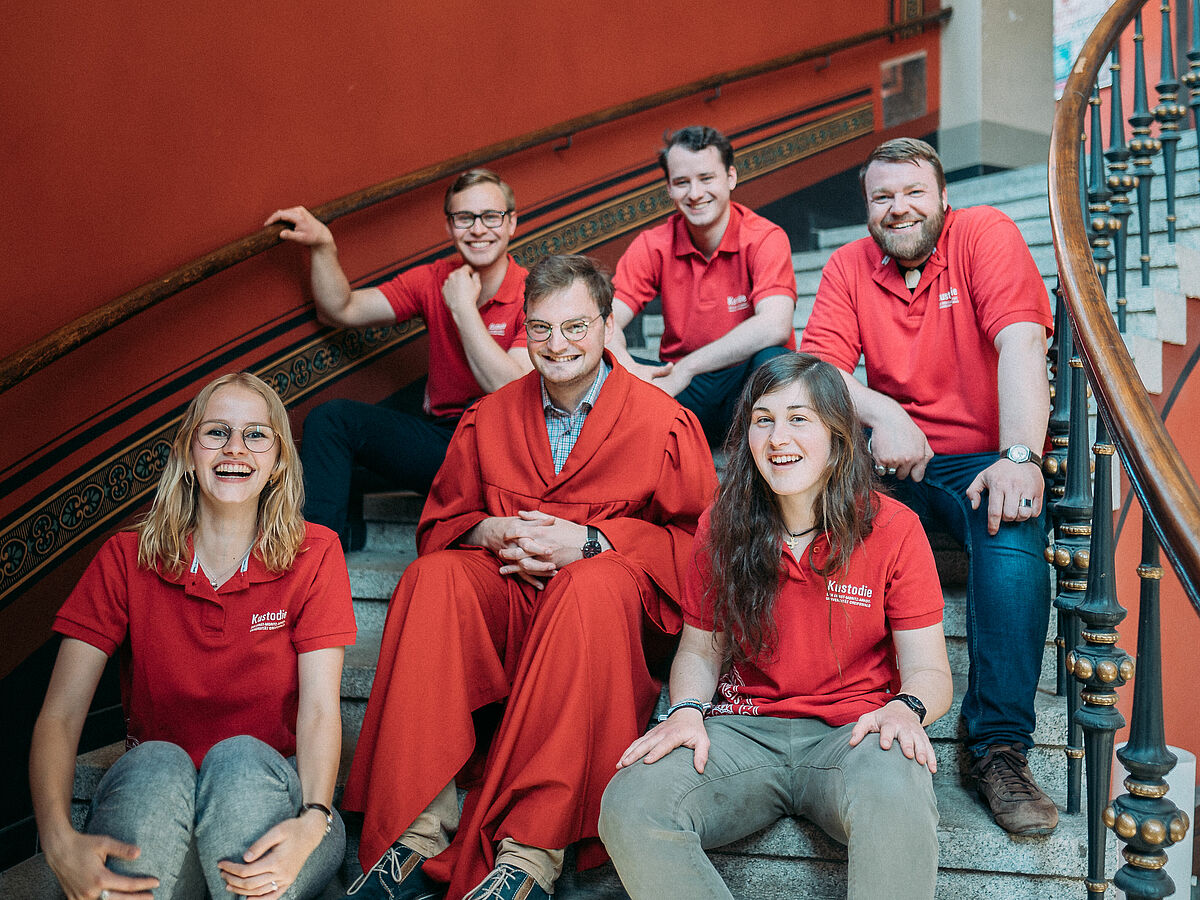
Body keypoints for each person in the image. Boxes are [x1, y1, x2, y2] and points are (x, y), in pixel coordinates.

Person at [340, 254, 717, 900]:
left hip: (606, 621)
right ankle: (418, 829)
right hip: (512, 600)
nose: (557, 344)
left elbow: (701, 551)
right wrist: (489, 531)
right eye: (540, 329)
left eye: (575, 327)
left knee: (587, 584)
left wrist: (596, 541)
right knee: (433, 579)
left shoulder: (663, 423)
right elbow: (442, 523)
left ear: (605, 326)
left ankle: (530, 852)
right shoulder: (489, 417)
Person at [598, 352, 952, 899]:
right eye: (763, 419)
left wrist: (906, 709)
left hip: (852, 736)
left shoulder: (894, 528)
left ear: (838, 436)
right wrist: (686, 711)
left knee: (899, 790)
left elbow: (930, 670)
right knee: (631, 802)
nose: (777, 437)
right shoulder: (724, 522)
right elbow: (699, 649)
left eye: (799, 418)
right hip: (742, 732)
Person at [800, 137, 1057, 835]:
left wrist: (1019, 455)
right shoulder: (850, 265)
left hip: (979, 458)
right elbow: (817, 369)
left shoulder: (984, 234)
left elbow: (1022, 342)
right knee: (814, 509)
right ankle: (825, 716)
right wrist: (885, 413)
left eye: (913, 191)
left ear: (944, 197)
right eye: (882, 197)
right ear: (867, 209)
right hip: (891, 461)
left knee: (1013, 529)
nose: (898, 207)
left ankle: (997, 747)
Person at [30, 372, 357, 900]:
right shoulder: (125, 558)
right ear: (187, 451)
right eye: (216, 433)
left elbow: (320, 712)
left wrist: (313, 820)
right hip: (158, 806)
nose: (235, 448)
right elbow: (61, 715)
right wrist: (58, 840)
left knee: (239, 762)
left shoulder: (315, 553)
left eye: (256, 434)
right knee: (157, 763)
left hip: (273, 809)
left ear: (277, 460)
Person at [266, 169, 532, 548]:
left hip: (499, 451)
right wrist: (323, 246)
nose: (478, 229)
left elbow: (509, 387)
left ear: (511, 223)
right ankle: (317, 561)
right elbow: (341, 309)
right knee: (331, 420)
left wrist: (462, 308)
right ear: (450, 227)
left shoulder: (531, 292)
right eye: (464, 218)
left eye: (491, 217)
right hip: (442, 442)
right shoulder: (433, 279)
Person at [605, 125, 798, 444]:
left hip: (746, 388)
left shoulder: (764, 237)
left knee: (776, 360)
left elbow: (775, 324)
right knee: (601, 366)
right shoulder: (652, 245)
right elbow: (604, 322)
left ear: (731, 178)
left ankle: (769, 452)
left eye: (706, 178)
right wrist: (628, 366)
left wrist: (689, 367)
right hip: (683, 390)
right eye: (682, 182)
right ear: (669, 189)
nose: (695, 194)